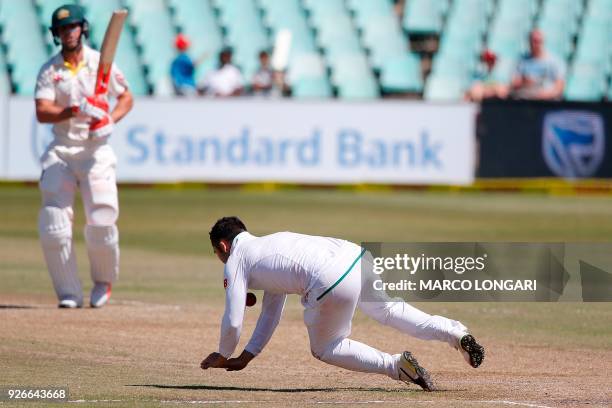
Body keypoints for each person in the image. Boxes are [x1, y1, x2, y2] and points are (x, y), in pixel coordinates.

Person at [200, 217, 485, 391]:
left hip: (328, 278)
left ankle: (398, 367)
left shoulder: (236, 260)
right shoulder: (270, 244)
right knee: (388, 309)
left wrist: (224, 353)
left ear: (223, 247)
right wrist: (247, 356)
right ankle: (456, 333)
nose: (220, 259)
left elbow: (234, 319)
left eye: (217, 254)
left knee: (325, 347)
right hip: (356, 256)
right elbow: (270, 312)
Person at [35, 4, 133, 308]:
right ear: (56, 34)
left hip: (95, 151)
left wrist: (108, 120)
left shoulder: (98, 63)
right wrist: (72, 110)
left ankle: (103, 282)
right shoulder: (50, 70)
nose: (69, 32)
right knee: (54, 221)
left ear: (83, 28)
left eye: (73, 26)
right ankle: (68, 292)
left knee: (102, 217)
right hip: (62, 150)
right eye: (63, 28)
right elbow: (42, 111)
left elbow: (126, 97)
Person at [509, 29, 565, 100]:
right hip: (524, 99)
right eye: (533, 41)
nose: (535, 44)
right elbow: (513, 83)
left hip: (547, 101)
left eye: (538, 41)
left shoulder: (555, 62)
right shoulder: (521, 60)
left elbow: (559, 87)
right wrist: (525, 82)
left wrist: (541, 95)